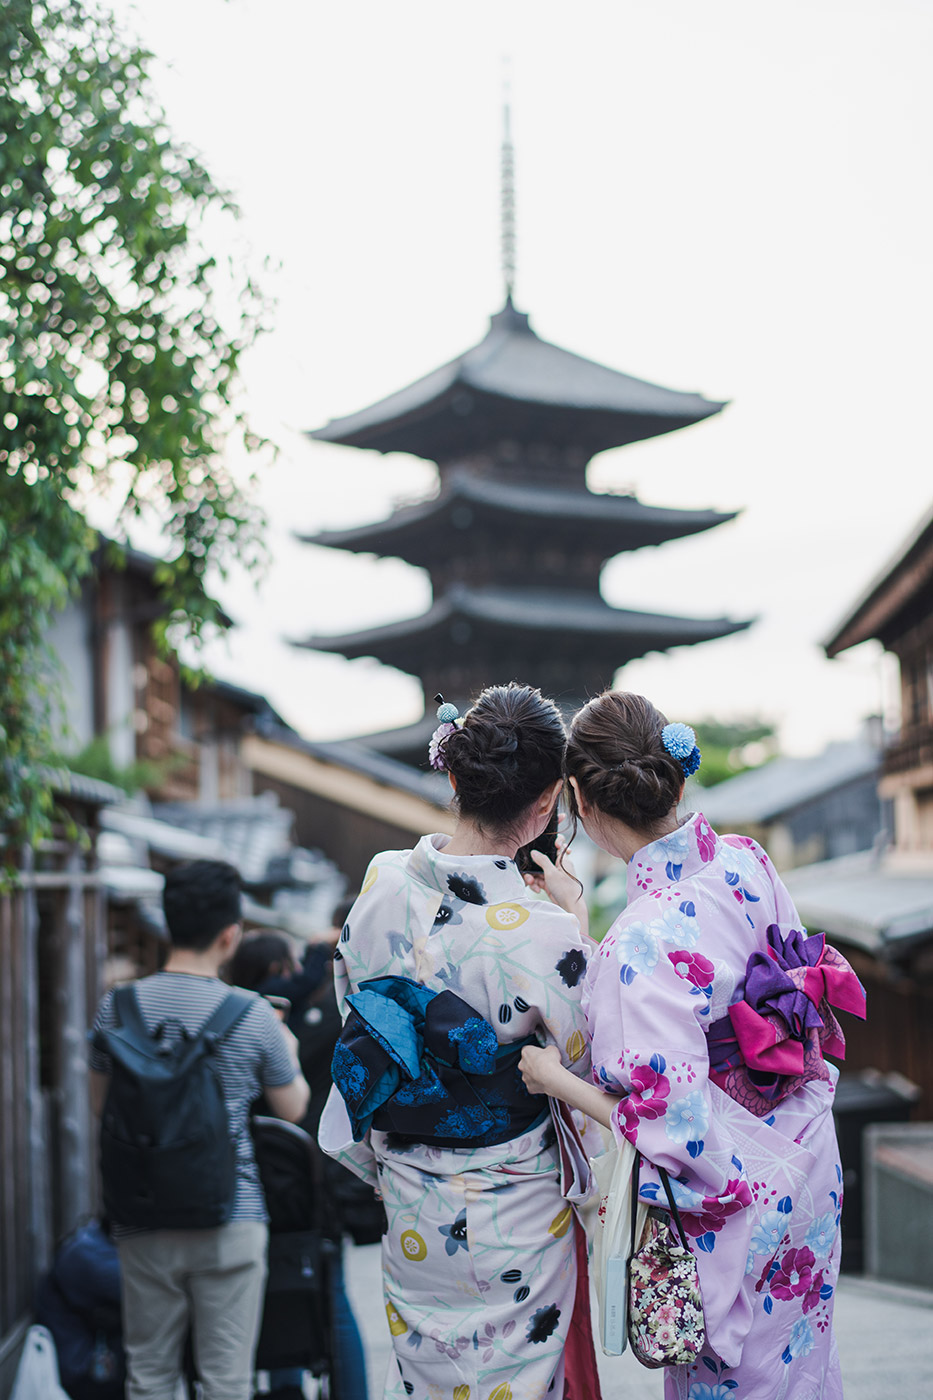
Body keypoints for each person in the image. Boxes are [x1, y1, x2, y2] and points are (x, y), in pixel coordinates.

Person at [520, 692, 866, 1400]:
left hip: (735, 1200)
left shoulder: (637, 940)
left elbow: (666, 1126)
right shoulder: (744, 861)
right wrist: (580, 918)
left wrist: (555, 1080)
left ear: (580, 801)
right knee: (803, 1370)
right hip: (804, 1160)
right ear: (676, 775)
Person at [321, 683, 599, 1400]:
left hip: (410, 1186)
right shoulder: (545, 930)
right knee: (516, 1375)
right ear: (546, 805)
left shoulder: (383, 880)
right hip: (514, 1199)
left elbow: (360, 1008)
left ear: (452, 776)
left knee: (427, 1370)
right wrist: (578, 919)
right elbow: (585, 1059)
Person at [89, 859, 310, 1400]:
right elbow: (293, 1109)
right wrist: (289, 1049)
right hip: (229, 1217)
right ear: (230, 935)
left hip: (142, 1215)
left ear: (167, 923)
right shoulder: (252, 1014)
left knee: (149, 1375)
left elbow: (101, 1106)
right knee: (226, 1381)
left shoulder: (116, 1008)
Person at [227, 926, 370, 1400]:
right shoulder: (331, 1018)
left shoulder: (231, 1021)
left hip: (247, 1181)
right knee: (332, 1299)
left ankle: (284, 1388)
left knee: (267, 1298)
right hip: (313, 1179)